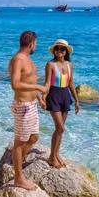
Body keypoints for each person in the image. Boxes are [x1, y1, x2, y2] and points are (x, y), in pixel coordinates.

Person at [8, 31, 48, 190]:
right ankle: (18, 178)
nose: (35, 47)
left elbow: (28, 81)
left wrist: (39, 98)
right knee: (20, 142)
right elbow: (15, 84)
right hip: (22, 106)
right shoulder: (18, 60)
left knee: (34, 137)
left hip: (32, 104)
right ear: (31, 44)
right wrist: (39, 87)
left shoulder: (28, 60)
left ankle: (16, 167)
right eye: (35, 44)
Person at [42, 39, 80, 169]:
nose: (59, 51)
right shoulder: (50, 64)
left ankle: (56, 154)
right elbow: (47, 84)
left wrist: (76, 100)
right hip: (53, 95)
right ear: (54, 50)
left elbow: (71, 83)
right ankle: (52, 157)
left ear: (66, 52)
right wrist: (43, 98)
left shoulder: (70, 65)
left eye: (62, 49)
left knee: (60, 129)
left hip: (65, 96)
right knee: (60, 127)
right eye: (57, 48)